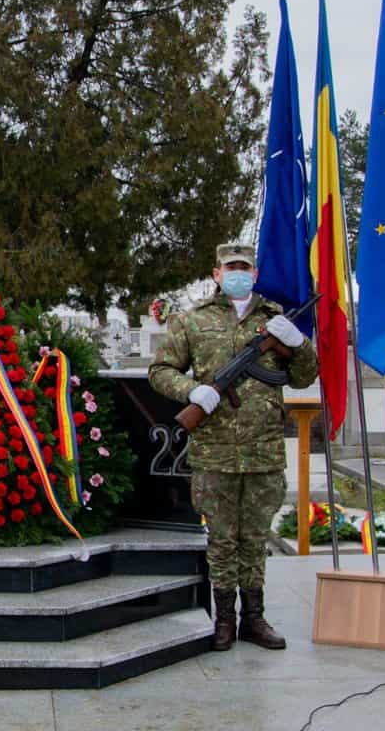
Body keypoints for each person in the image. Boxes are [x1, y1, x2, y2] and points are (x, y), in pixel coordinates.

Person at [148, 243, 318, 652]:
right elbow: (160, 371)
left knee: (254, 539)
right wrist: (195, 389)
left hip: (263, 452)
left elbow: (302, 378)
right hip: (215, 451)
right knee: (222, 540)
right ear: (217, 273)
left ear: (254, 274)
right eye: (230, 268)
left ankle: (253, 619)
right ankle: (224, 618)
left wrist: (299, 345)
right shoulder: (193, 320)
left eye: (244, 268)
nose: (238, 273)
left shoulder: (275, 320)